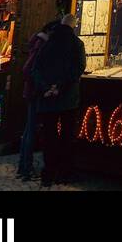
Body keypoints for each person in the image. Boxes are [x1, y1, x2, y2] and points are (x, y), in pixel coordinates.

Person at [32, 12, 86, 187]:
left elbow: (36, 68)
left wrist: (46, 88)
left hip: (48, 99)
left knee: (49, 136)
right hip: (68, 98)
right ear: (73, 26)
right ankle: (65, 171)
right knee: (67, 135)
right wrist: (60, 87)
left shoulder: (48, 43)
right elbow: (78, 68)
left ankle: (48, 172)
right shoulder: (77, 44)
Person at [16, 19, 58, 181]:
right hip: (35, 93)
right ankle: (26, 167)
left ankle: (23, 165)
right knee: (31, 129)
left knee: (29, 129)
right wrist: (42, 86)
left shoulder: (37, 42)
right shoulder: (42, 44)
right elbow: (29, 69)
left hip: (32, 92)